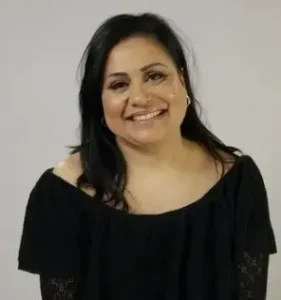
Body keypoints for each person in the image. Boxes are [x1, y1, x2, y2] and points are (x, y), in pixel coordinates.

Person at [18, 12, 277, 300]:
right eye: (118, 84)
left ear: (181, 79)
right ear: (98, 101)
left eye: (155, 76)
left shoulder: (238, 182)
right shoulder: (61, 194)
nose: (139, 98)